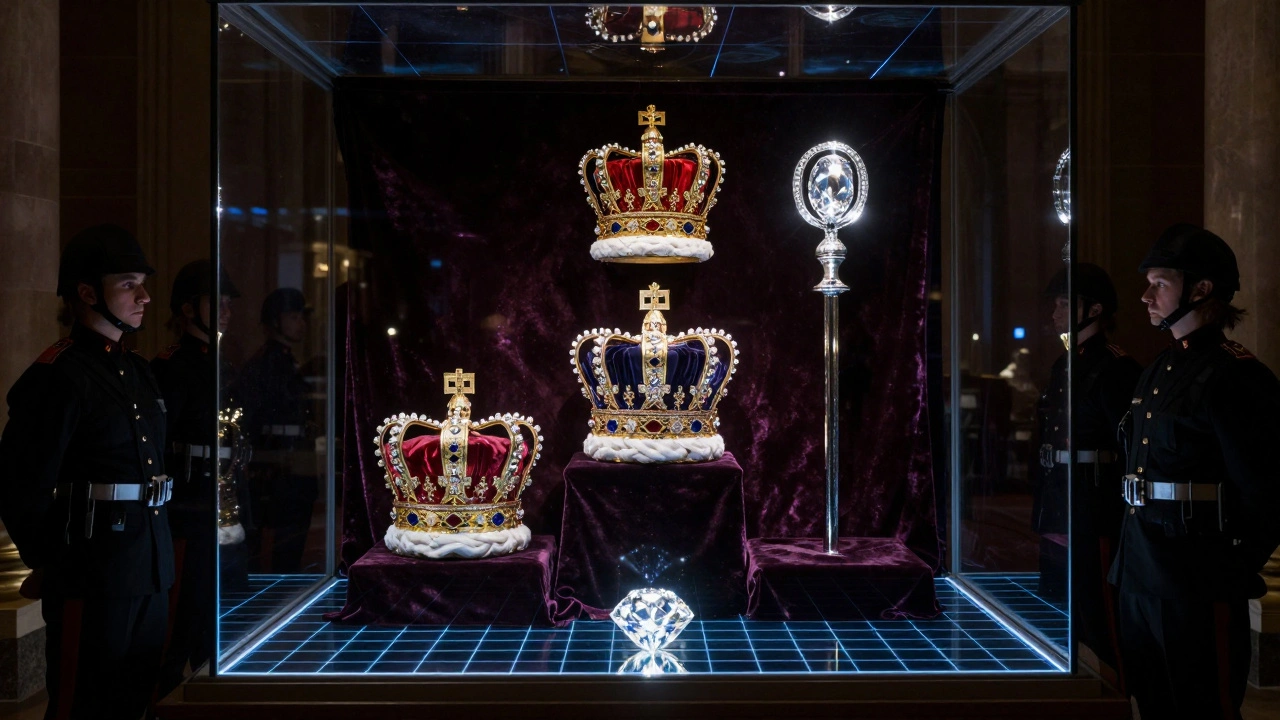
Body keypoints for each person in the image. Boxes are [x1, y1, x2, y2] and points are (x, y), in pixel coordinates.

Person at [0, 224, 174, 719]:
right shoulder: (59, 374)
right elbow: (20, 483)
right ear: (86, 292)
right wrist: (54, 565)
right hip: (92, 571)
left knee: (136, 699)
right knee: (85, 704)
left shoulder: (136, 370)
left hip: (150, 563)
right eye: (128, 284)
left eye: (142, 283)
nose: (143, 297)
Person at [1109, 223, 1280, 719]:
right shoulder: (1158, 369)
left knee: (1203, 707)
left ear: (1201, 289)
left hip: (1196, 578)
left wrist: (1227, 566)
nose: (1145, 296)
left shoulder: (1237, 375)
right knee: (1153, 701)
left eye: (1160, 282)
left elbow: (1266, 492)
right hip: (1141, 569)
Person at [1032, 263, 1140, 671]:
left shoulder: (1115, 367)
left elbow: (1128, 445)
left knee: (1100, 612)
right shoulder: (1065, 364)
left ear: (1093, 310)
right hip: (1063, 497)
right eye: (1055, 304)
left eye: (1064, 304)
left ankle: (1114, 691)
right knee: (1067, 606)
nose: (1055, 313)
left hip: (1094, 502)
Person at [152, 259, 243, 697]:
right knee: (180, 618)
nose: (226, 310)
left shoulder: (226, 364)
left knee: (218, 618)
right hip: (188, 506)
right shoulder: (171, 366)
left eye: (229, 303)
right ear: (189, 309)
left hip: (223, 502)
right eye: (216, 302)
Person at [235, 287, 315, 573]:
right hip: (275, 463)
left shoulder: (288, 362)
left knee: (291, 536)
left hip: (293, 461)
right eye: (293, 317)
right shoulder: (264, 364)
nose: (300, 324)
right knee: (273, 538)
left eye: (300, 317)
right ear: (276, 321)